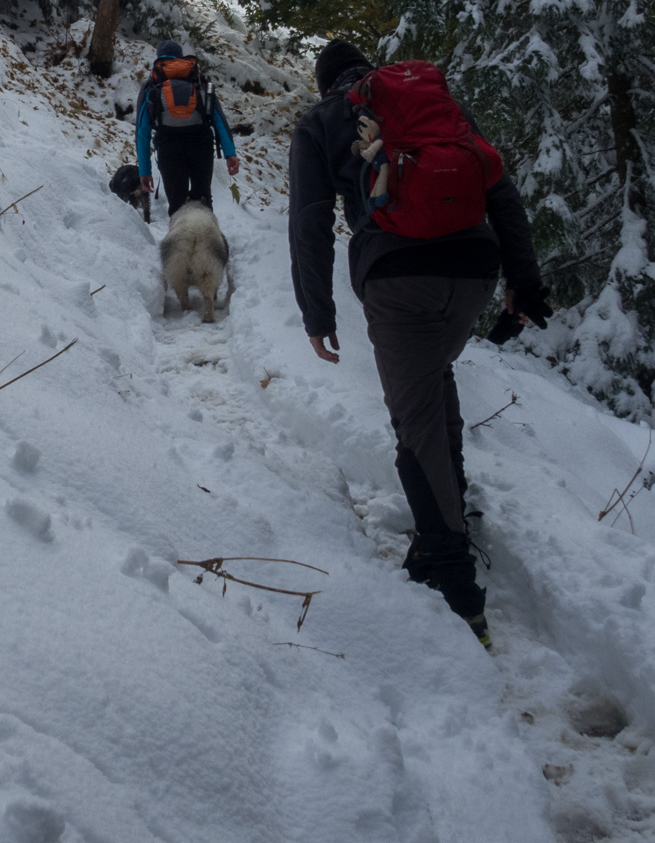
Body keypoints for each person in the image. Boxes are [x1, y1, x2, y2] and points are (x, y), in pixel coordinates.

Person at [286, 40, 552, 647]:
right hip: (475, 267)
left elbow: (308, 219)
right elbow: (500, 189)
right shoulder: (432, 107)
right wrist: (524, 283)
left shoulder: (322, 120)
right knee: (433, 384)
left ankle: (456, 585)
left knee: (416, 421)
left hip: (398, 276)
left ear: (323, 81)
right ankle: (445, 525)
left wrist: (316, 310)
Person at [136, 42, 238, 216]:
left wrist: (145, 171)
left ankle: (181, 241)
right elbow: (219, 118)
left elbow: (142, 132)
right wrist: (230, 154)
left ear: (159, 56)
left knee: (177, 204)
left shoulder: (152, 83)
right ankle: (207, 240)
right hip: (201, 144)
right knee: (203, 199)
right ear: (181, 57)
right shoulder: (198, 79)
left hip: (169, 146)